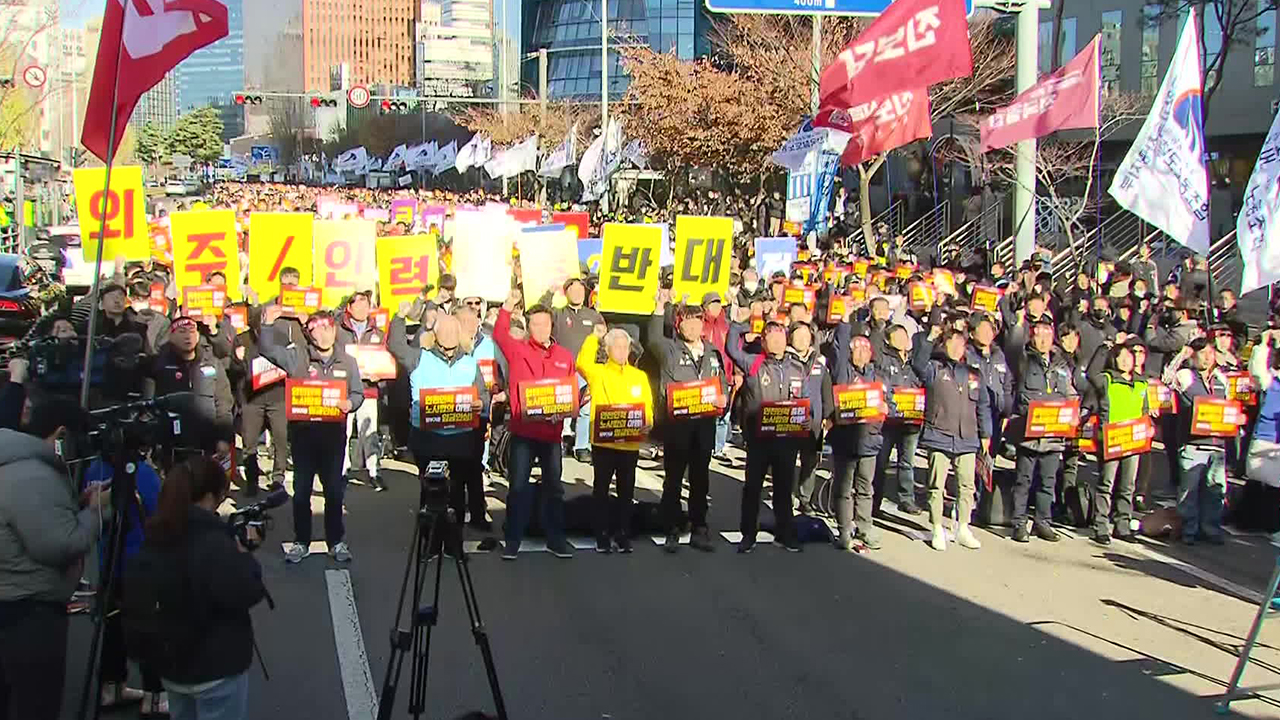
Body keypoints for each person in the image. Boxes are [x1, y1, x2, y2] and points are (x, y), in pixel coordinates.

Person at [0, 395, 109, 720]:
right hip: (27, 612)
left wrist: (76, 506)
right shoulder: (34, 476)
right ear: (62, 435)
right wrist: (95, 513)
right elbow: (60, 544)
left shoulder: (17, 464)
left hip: (15, 601)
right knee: (36, 704)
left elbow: (36, 521)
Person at [138, 456, 268, 720]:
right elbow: (246, 591)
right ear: (210, 496)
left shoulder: (156, 535)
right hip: (215, 667)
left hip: (172, 664)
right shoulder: (213, 542)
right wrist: (245, 553)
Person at [259, 307, 364, 563]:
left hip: (333, 436)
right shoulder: (297, 357)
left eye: (328, 328)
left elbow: (358, 393)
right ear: (309, 332)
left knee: (333, 492)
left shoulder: (347, 362)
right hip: (303, 436)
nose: (324, 334)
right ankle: (301, 541)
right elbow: (268, 350)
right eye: (317, 329)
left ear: (335, 330)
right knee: (302, 491)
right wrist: (268, 325)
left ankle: (336, 541)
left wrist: (350, 404)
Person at [492, 290, 576, 560]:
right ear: (528, 327)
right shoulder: (517, 350)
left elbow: (571, 391)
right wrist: (508, 305)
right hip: (523, 433)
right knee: (517, 487)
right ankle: (513, 539)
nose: (540, 329)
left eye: (545, 324)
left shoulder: (564, 355)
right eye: (535, 324)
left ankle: (555, 538)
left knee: (554, 488)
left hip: (551, 435)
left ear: (552, 325)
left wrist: (569, 409)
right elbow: (500, 334)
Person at [386, 309, 489, 522]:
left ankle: (455, 542)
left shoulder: (470, 362)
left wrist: (481, 403)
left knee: (457, 492)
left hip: (461, 437)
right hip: (427, 438)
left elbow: (483, 394)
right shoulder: (419, 357)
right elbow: (396, 346)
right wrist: (399, 317)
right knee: (431, 490)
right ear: (435, 334)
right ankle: (430, 543)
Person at [648, 297, 729, 552]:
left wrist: (723, 398)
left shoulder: (713, 353)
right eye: (687, 322)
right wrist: (659, 309)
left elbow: (722, 385)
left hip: (704, 427)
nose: (692, 327)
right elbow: (652, 339)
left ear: (703, 325)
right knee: (673, 479)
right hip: (677, 426)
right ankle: (671, 527)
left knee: (700, 480)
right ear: (679, 325)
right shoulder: (669, 349)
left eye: (697, 322)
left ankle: (699, 527)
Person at [728, 317, 813, 553]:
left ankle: (785, 533)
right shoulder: (753, 363)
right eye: (770, 337)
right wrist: (740, 325)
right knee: (752, 488)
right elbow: (731, 348)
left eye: (780, 337)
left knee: (784, 489)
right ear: (763, 341)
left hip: (786, 440)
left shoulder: (797, 367)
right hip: (758, 440)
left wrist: (806, 416)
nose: (776, 341)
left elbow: (806, 400)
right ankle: (748, 534)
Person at [912, 327, 990, 551]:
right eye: (952, 343)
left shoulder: (973, 373)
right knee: (936, 485)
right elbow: (917, 364)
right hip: (939, 434)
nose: (956, 348)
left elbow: (983, 405)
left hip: (967, 436)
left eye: (960, 344)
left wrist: (986, 433)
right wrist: (929, 338)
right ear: (944, 345)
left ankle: (963, 527)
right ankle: (937, 527)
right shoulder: (934, 368)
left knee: (967, 485)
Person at [576, 324, 653, 553]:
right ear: (608, 350)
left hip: (630, 442)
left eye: (624, 347)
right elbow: (581, 363)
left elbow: (646, 405)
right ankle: (601, 533)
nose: (621, 351)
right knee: (601, 490)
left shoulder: (638, 376)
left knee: (626, 491)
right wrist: (594, 337)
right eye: (616, 347)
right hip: (604, 442)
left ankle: (622, 533)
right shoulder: (598, 372)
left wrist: (648, 421)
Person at [1011, 319, 1078, 543]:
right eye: (1038, 335)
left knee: (1047, 481)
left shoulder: (1061, 364)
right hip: (1029, 432)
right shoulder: (1023, 360)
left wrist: (1072, 410)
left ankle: (1043, 521)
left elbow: (1070, 393)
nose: (1043, 340)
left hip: (1053, 434)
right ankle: (1019, 522)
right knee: (1024, 480)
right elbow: (1020, 394)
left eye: (1047, 336)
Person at [1164, 337, 1231, 544]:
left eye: (1210, 353)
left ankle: (1209, 529)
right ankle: (1188, 530)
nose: (1208, 357)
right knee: (1189, 492)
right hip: (1193, 443)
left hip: (1217, 444)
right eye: (1203, 353)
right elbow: (1167, 379)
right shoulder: (1186, 376)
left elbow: (1229, 406)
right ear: (1193, 356)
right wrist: (1181, 356)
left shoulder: (1220, 378)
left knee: (1214, 489)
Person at [1085, 342, 1149, 545]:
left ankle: (1122, 525)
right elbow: (1091, 376)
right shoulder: (1106, 379)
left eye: (1129, 356)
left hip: (1133, 442)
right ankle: (1101, 526)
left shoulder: (1142, 383)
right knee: (1106, 484)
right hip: (1111, 439)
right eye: (1121, 356)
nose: (1125, 360)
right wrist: (1103, 348)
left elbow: (1145, 410)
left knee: (1127, 486)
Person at [827, 324, 884, 550]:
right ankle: (844, 529)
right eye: (856, 349)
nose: (861, 353)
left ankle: (865, 527)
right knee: (843, 488)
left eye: (865, 349)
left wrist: (887, 407)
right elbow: (839, 351)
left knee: (865, 487)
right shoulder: (843, 373)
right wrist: (843, 322)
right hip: (845, 439)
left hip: (869, 439)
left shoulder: (876, 376)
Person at [553, 278, 605, 463]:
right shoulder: (558, 314)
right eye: (573, 290)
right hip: (562, 369)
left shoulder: (593, 316)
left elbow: (604, 339)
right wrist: (549, 294)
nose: (577, 294)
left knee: (585, 409)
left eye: (580, 290)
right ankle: (556, 443)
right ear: (566, 293)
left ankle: (582, 446)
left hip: (586, 370)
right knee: (560, 409)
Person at [337, 291, 385, 490]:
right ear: (349, 307)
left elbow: (384, 360)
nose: (364, 310)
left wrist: (380, 374)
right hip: (345, 389)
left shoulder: (377, 332)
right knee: (343, 432)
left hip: (368, 390)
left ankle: (374, 471)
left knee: (370, 432)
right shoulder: (338, 330)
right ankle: (342, 470)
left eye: (367, 306)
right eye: (359, 305)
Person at [875, 323, 924, 515]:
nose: (903, 341)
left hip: (911, 419)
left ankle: (906, 498)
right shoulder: (884, 360)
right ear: (888, 341)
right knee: (881, 462)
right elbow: (881, 386)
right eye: (898, 337)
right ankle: (874, 501)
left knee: (907, 462)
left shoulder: (915, 361)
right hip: (890, 419)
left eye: (905, 336)